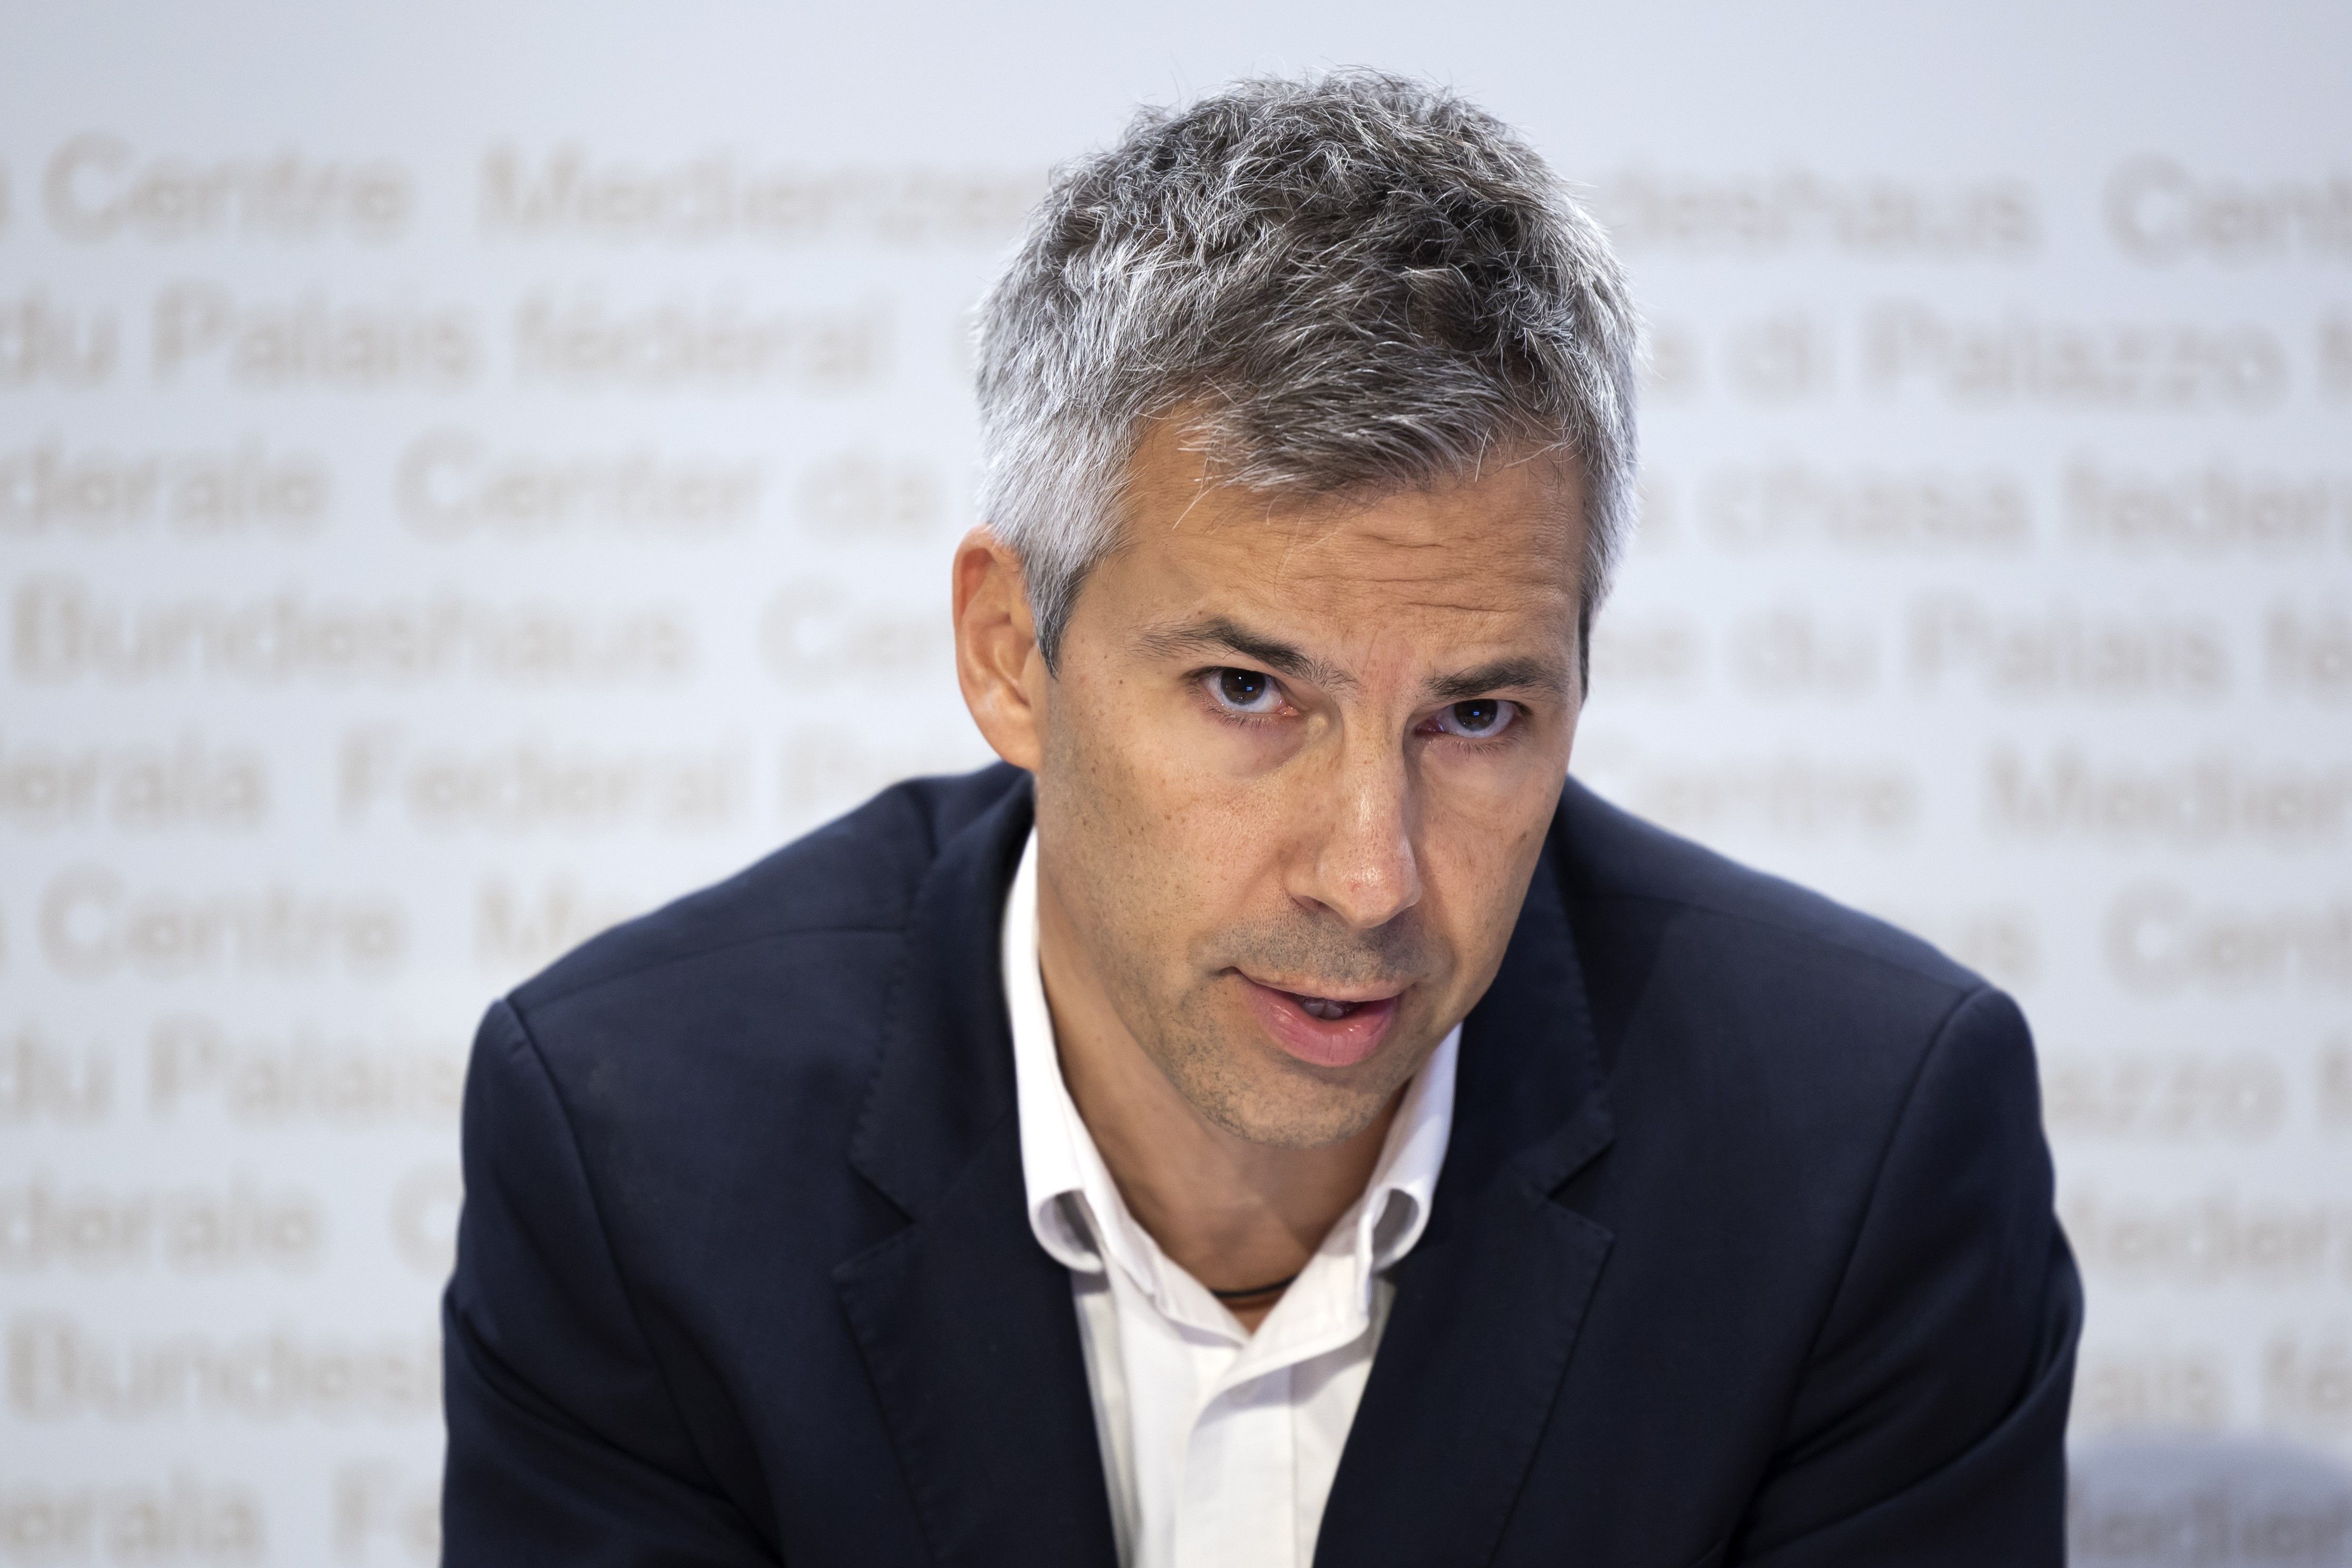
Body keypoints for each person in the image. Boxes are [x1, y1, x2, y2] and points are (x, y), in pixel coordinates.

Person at [440, 72, 2079, 1567]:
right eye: (1249, 692)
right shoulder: (638, 1150)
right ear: (1011, 655)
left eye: (1478, 718)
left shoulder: (1860, 1153)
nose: (1371, 879)